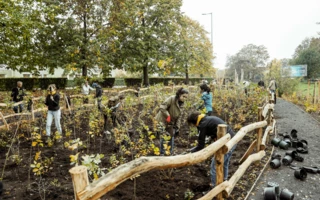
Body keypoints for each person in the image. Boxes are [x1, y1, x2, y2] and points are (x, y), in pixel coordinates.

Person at [187, 111, 236, 187]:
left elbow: (200, 145)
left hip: (227, 144)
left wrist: (191, 151)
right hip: (233, 140)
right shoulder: (207, 119)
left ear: (194, 122)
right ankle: (224, 180)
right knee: (225, 163)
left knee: (215, 165)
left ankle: (214, 187)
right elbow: (213, 132)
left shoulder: (202, 125)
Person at [155, 88, 189, 156]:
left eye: (186, 97)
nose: (184, 98)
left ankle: (170, 153)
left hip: (170, 122)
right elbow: (162, 107)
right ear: (179, 95)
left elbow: (179, 116)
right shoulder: (171, 99)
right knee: (164, 136)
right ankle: (162, 153)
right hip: (162, 120)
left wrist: (177, 127)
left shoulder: (182, 104)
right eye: (183, 96)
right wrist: (168, 116)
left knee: (171, 136)